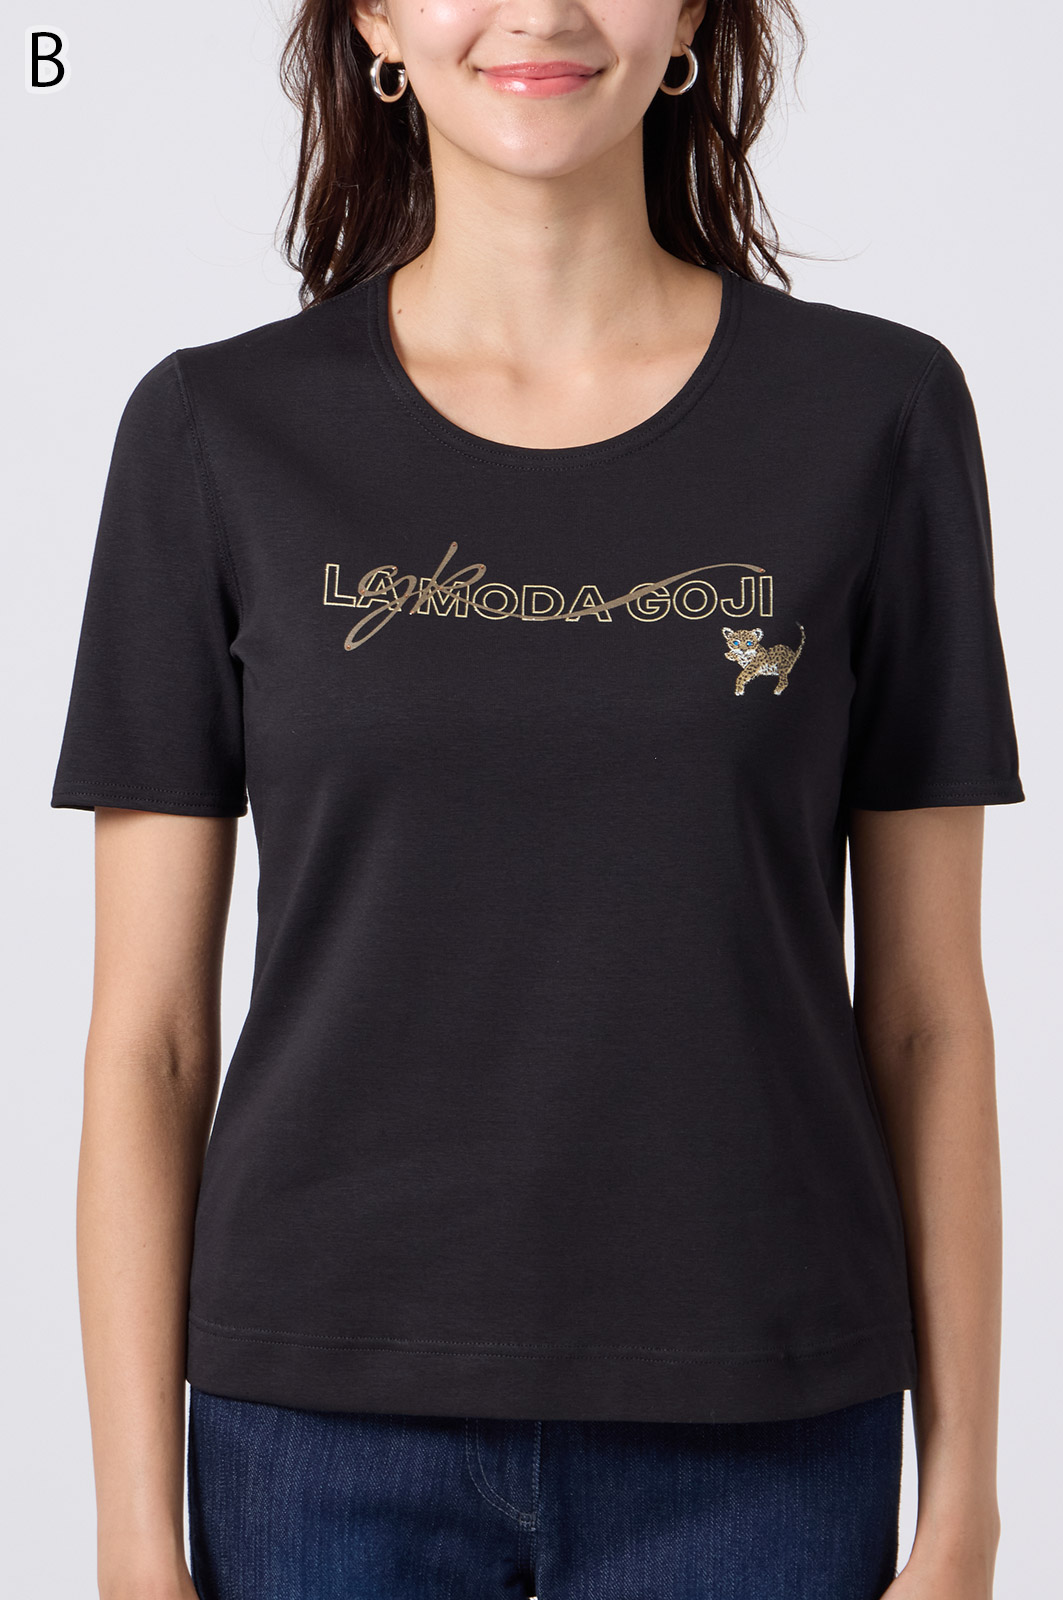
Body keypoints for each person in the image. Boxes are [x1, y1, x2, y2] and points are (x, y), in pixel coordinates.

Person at [51, 2, 1025, 1597]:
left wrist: (966, 1503)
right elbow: (148, 1038)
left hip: (765, 1430)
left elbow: (928, 1017)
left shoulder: (878, 415)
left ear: (692, 17)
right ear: (377, 20)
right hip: (319, 1437)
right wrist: (132, 1538)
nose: (544, 8)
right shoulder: (214, 434)